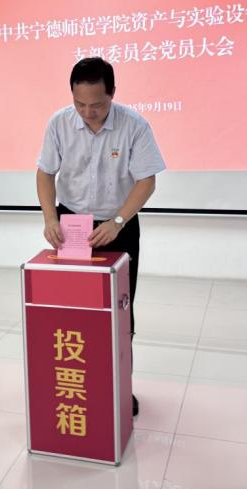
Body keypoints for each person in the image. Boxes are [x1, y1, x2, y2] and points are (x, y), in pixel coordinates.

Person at [36, 56, 166, 417]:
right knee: (72, 309)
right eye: (79, 104)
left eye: (96, 105)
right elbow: (45, 173)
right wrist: (50, 218)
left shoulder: (134, 125)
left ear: (112, 93)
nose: (88, 113)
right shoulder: (59, 123)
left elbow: (146, 181)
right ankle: (77, 382)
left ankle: (120, 387)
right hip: (72, 224)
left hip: (118, 225)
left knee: (119, 311)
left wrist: (119, 220)